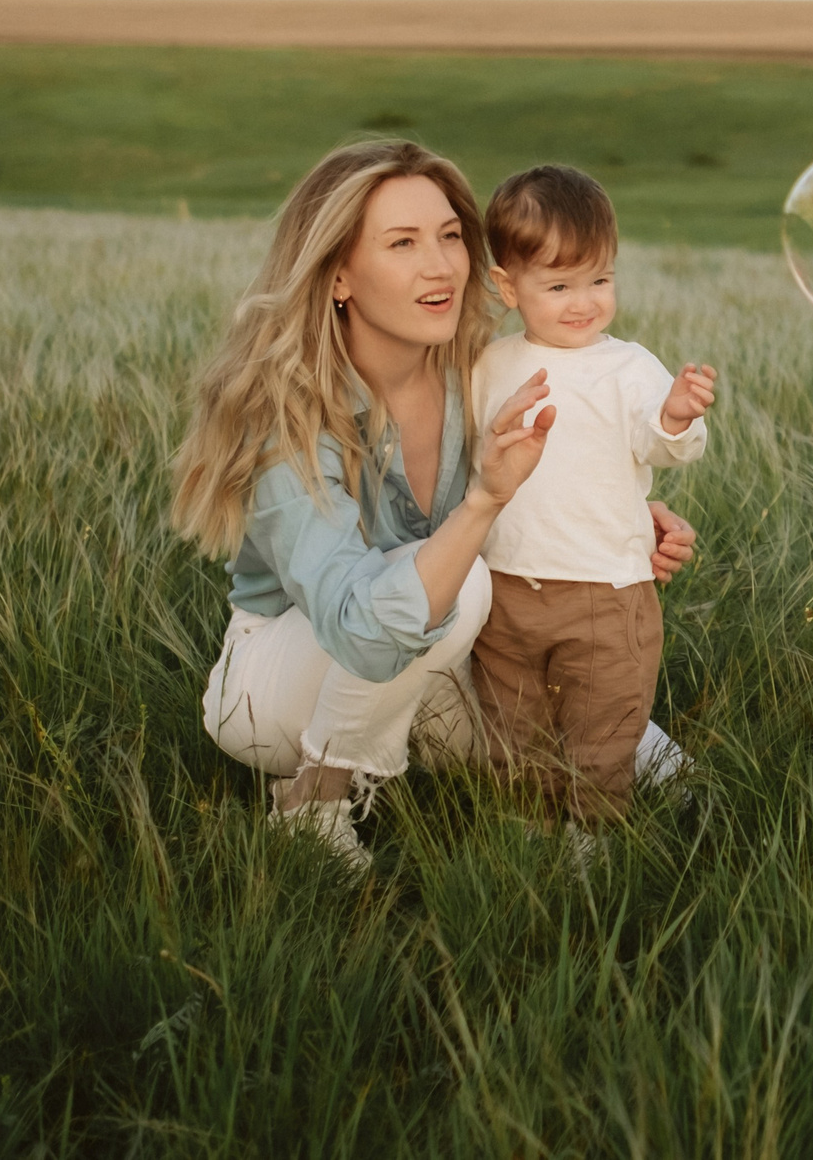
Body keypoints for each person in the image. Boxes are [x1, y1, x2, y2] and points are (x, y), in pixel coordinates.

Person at [170, 139, 697, 869]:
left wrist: (623, 516)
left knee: (648, 762)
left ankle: (406, 752)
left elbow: (553, 465)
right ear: (340, 276)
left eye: (451, 235)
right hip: (284, 674)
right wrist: (481, 501)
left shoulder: (476, 371)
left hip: (436, 645)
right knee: (455, 584)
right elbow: (359, 624)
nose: (442, 264)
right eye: (403, 242)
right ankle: (313, 803)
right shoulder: (286, 416)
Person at [469, 165, 717, 826]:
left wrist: (676, 413)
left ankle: (595, 839)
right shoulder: (490, 365)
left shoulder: (630, 366)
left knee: (602, 729)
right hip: (507, 588)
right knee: (512, 729)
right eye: (558, 285)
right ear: (507, 286)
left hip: (607, 591)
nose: (584, 301)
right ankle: (531, 834)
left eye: (599, 280)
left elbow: (663, 443)